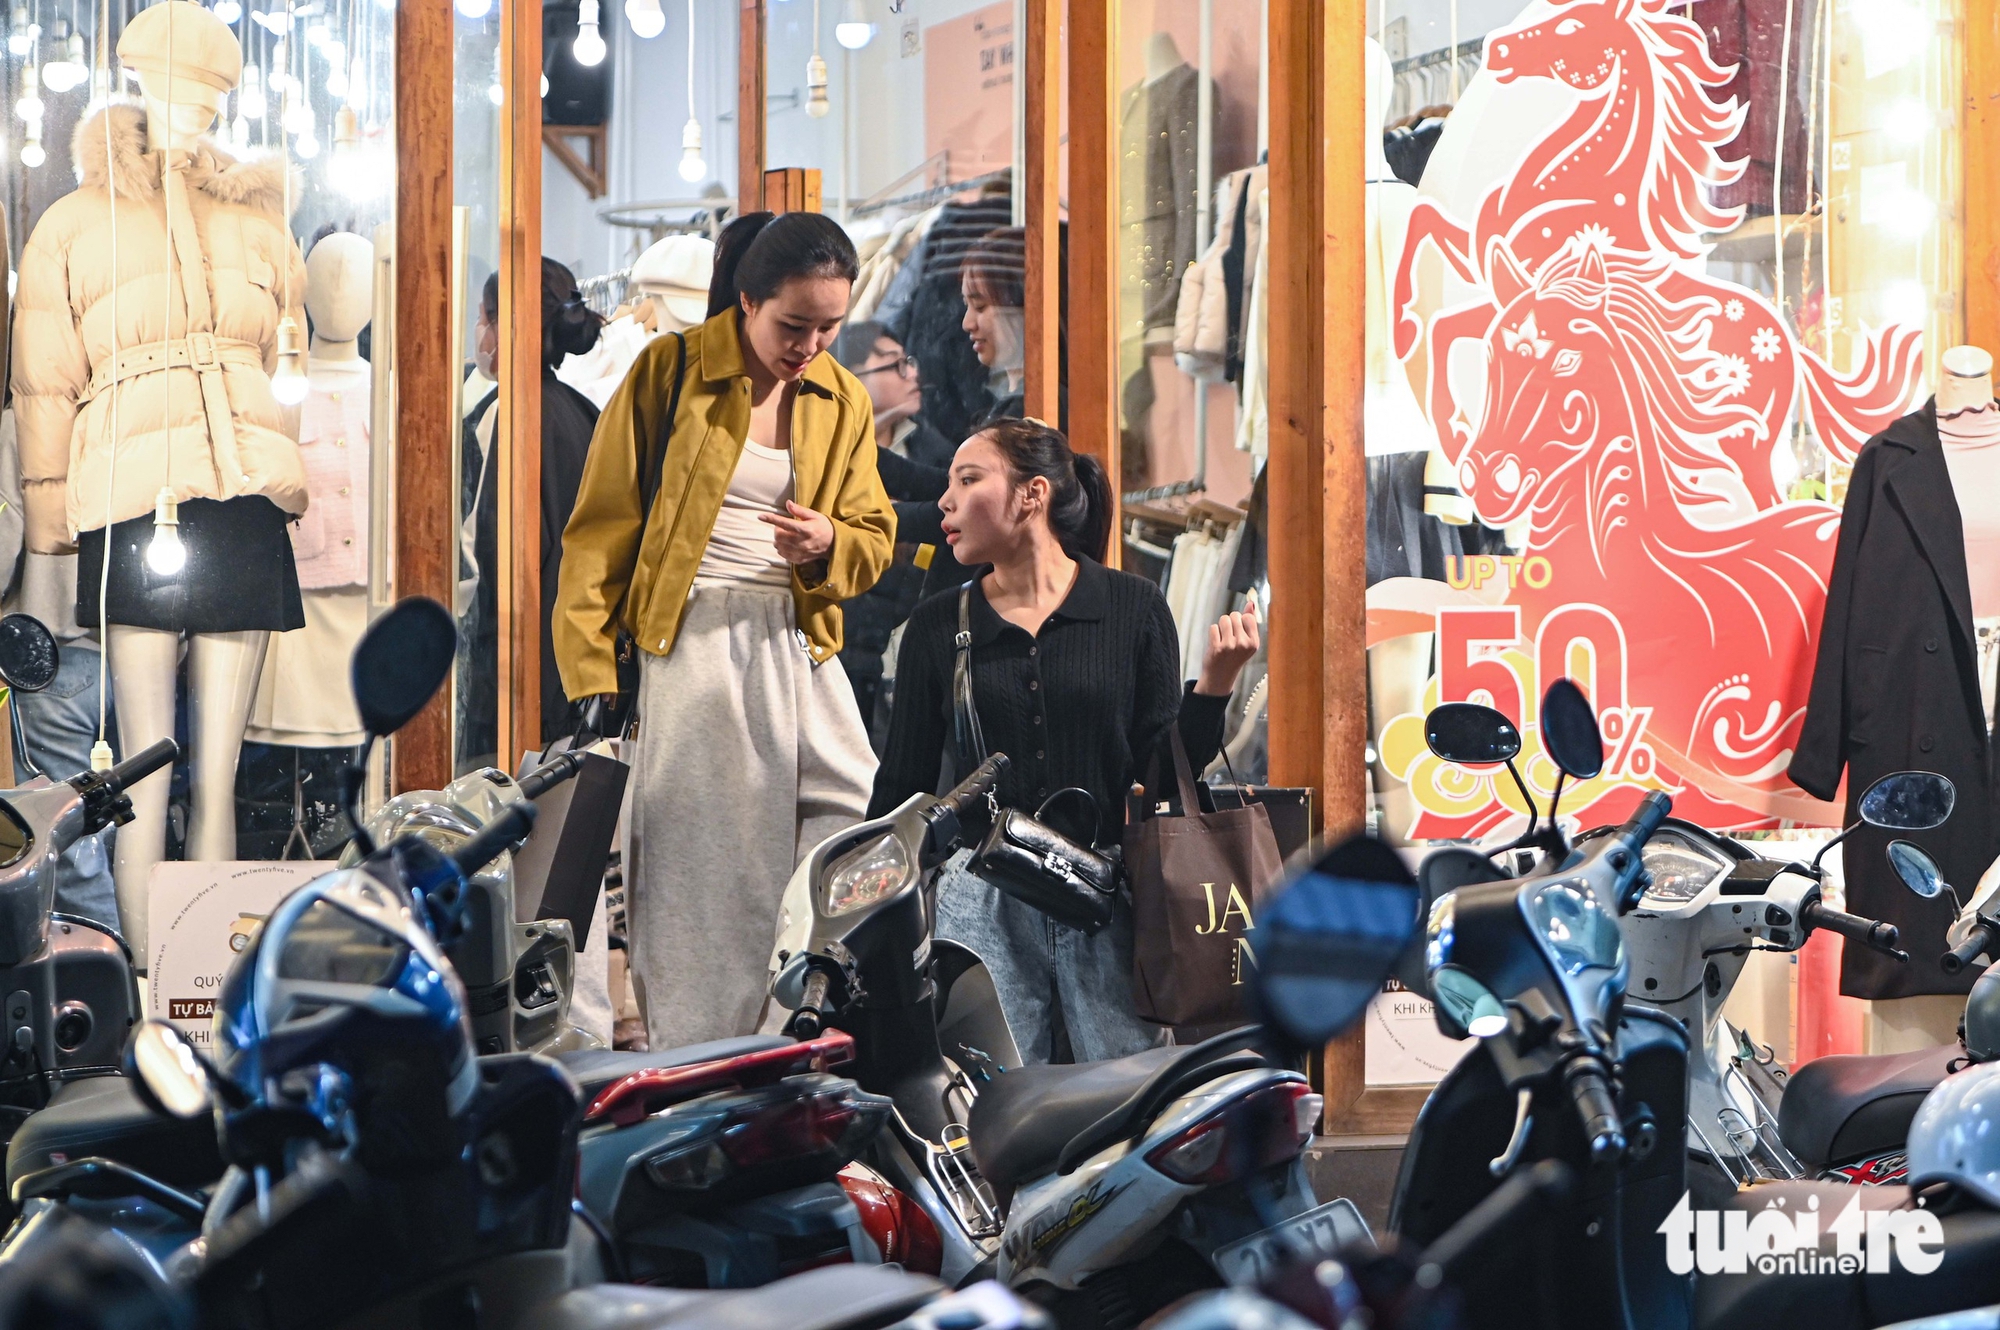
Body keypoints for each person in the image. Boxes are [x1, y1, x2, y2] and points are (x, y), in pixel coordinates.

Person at [555, 211, 894, 1050]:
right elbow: (599, 531)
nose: (810, 344)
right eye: (793, 323)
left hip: (801, 643)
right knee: (703, 879)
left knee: (850, 830)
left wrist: (831, 545)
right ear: (746, 302)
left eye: (829, 326)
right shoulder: (668, 373)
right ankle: (700, 1062)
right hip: (696, 641)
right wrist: (595, 674)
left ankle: (792, 1045)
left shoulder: (841, 398)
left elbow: (874, 533)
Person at [868, 418, 1260, 1062]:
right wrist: (870, 895)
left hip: (1106, 896)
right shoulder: (941, 625)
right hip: (983, 903)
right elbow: (903, 783)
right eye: (950, 484)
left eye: (969, 480)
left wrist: (1214, 686)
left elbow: (1159, 775)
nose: (945, 501)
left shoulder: (1132, 608)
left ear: (1032, 494)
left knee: (1124, 1100)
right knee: (992, 1107)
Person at [459, 259, 605, 765]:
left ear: (506, 325)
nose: (481, 332)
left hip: (517, 666)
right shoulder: (583, 411)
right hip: (569, 657)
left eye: (486, 318)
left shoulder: (508, 411)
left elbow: (490, 554)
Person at [833, 321, 957, 736]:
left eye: (910, 362)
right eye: (895, 365)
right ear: (852, 376)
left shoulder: (936, 450)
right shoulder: (832, 445)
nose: (913, 374)